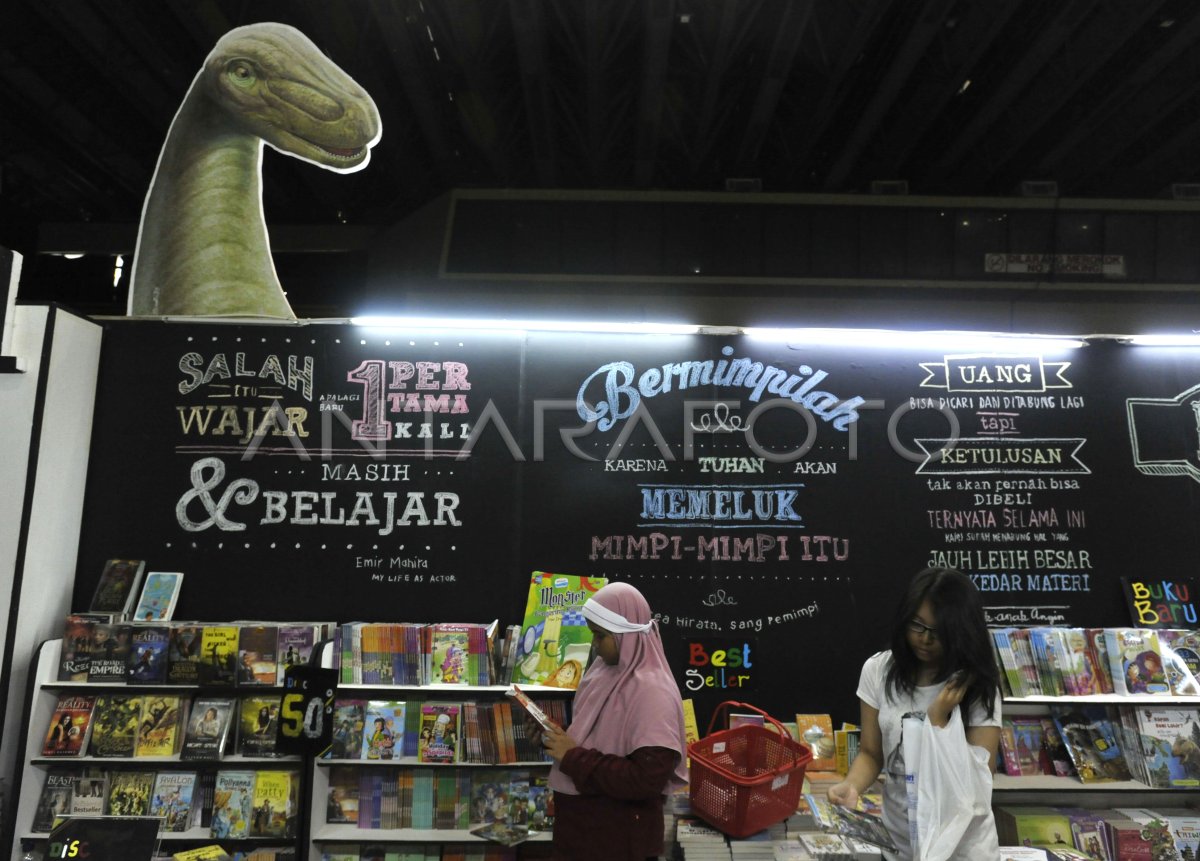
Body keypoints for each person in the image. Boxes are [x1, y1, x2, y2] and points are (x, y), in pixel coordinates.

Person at [828, 567, 1001, 860]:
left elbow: (977, 784)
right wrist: (851, 785)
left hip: (958, 849)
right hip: (898, 845)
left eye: (938, 632)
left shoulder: (976, 685)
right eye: (917, 625)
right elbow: (871, 753)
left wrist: (938, 720)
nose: (924, 639)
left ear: (960, 632)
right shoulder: (878, 670)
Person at [535, 581, 688, 861]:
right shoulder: (604, 672)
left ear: (624, 636)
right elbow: (597, 738)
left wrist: (572, 756)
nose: (594, 643)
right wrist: (557, 737)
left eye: (599, 635)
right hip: (583, 835)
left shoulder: (653, 693)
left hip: (618, 843)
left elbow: (645, 780)